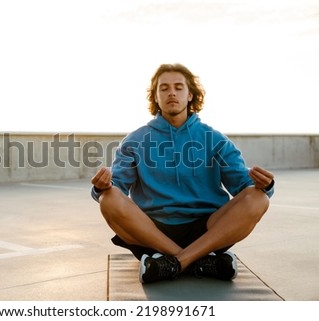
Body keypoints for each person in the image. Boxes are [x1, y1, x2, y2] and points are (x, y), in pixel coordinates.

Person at [90, 63, 275, 284]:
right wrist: (102, 187)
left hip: (207, 230)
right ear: (156, 97)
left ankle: (172, 263)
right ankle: (200, 261)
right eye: (164, 88)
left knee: (258, 198)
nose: (172, 93)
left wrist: (265, 184)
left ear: (190, 96)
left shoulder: (214, 139)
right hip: (152, 230)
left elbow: (243, 186)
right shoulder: (135, 140)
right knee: (107, 199)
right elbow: (117, 186)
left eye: (179, 87)